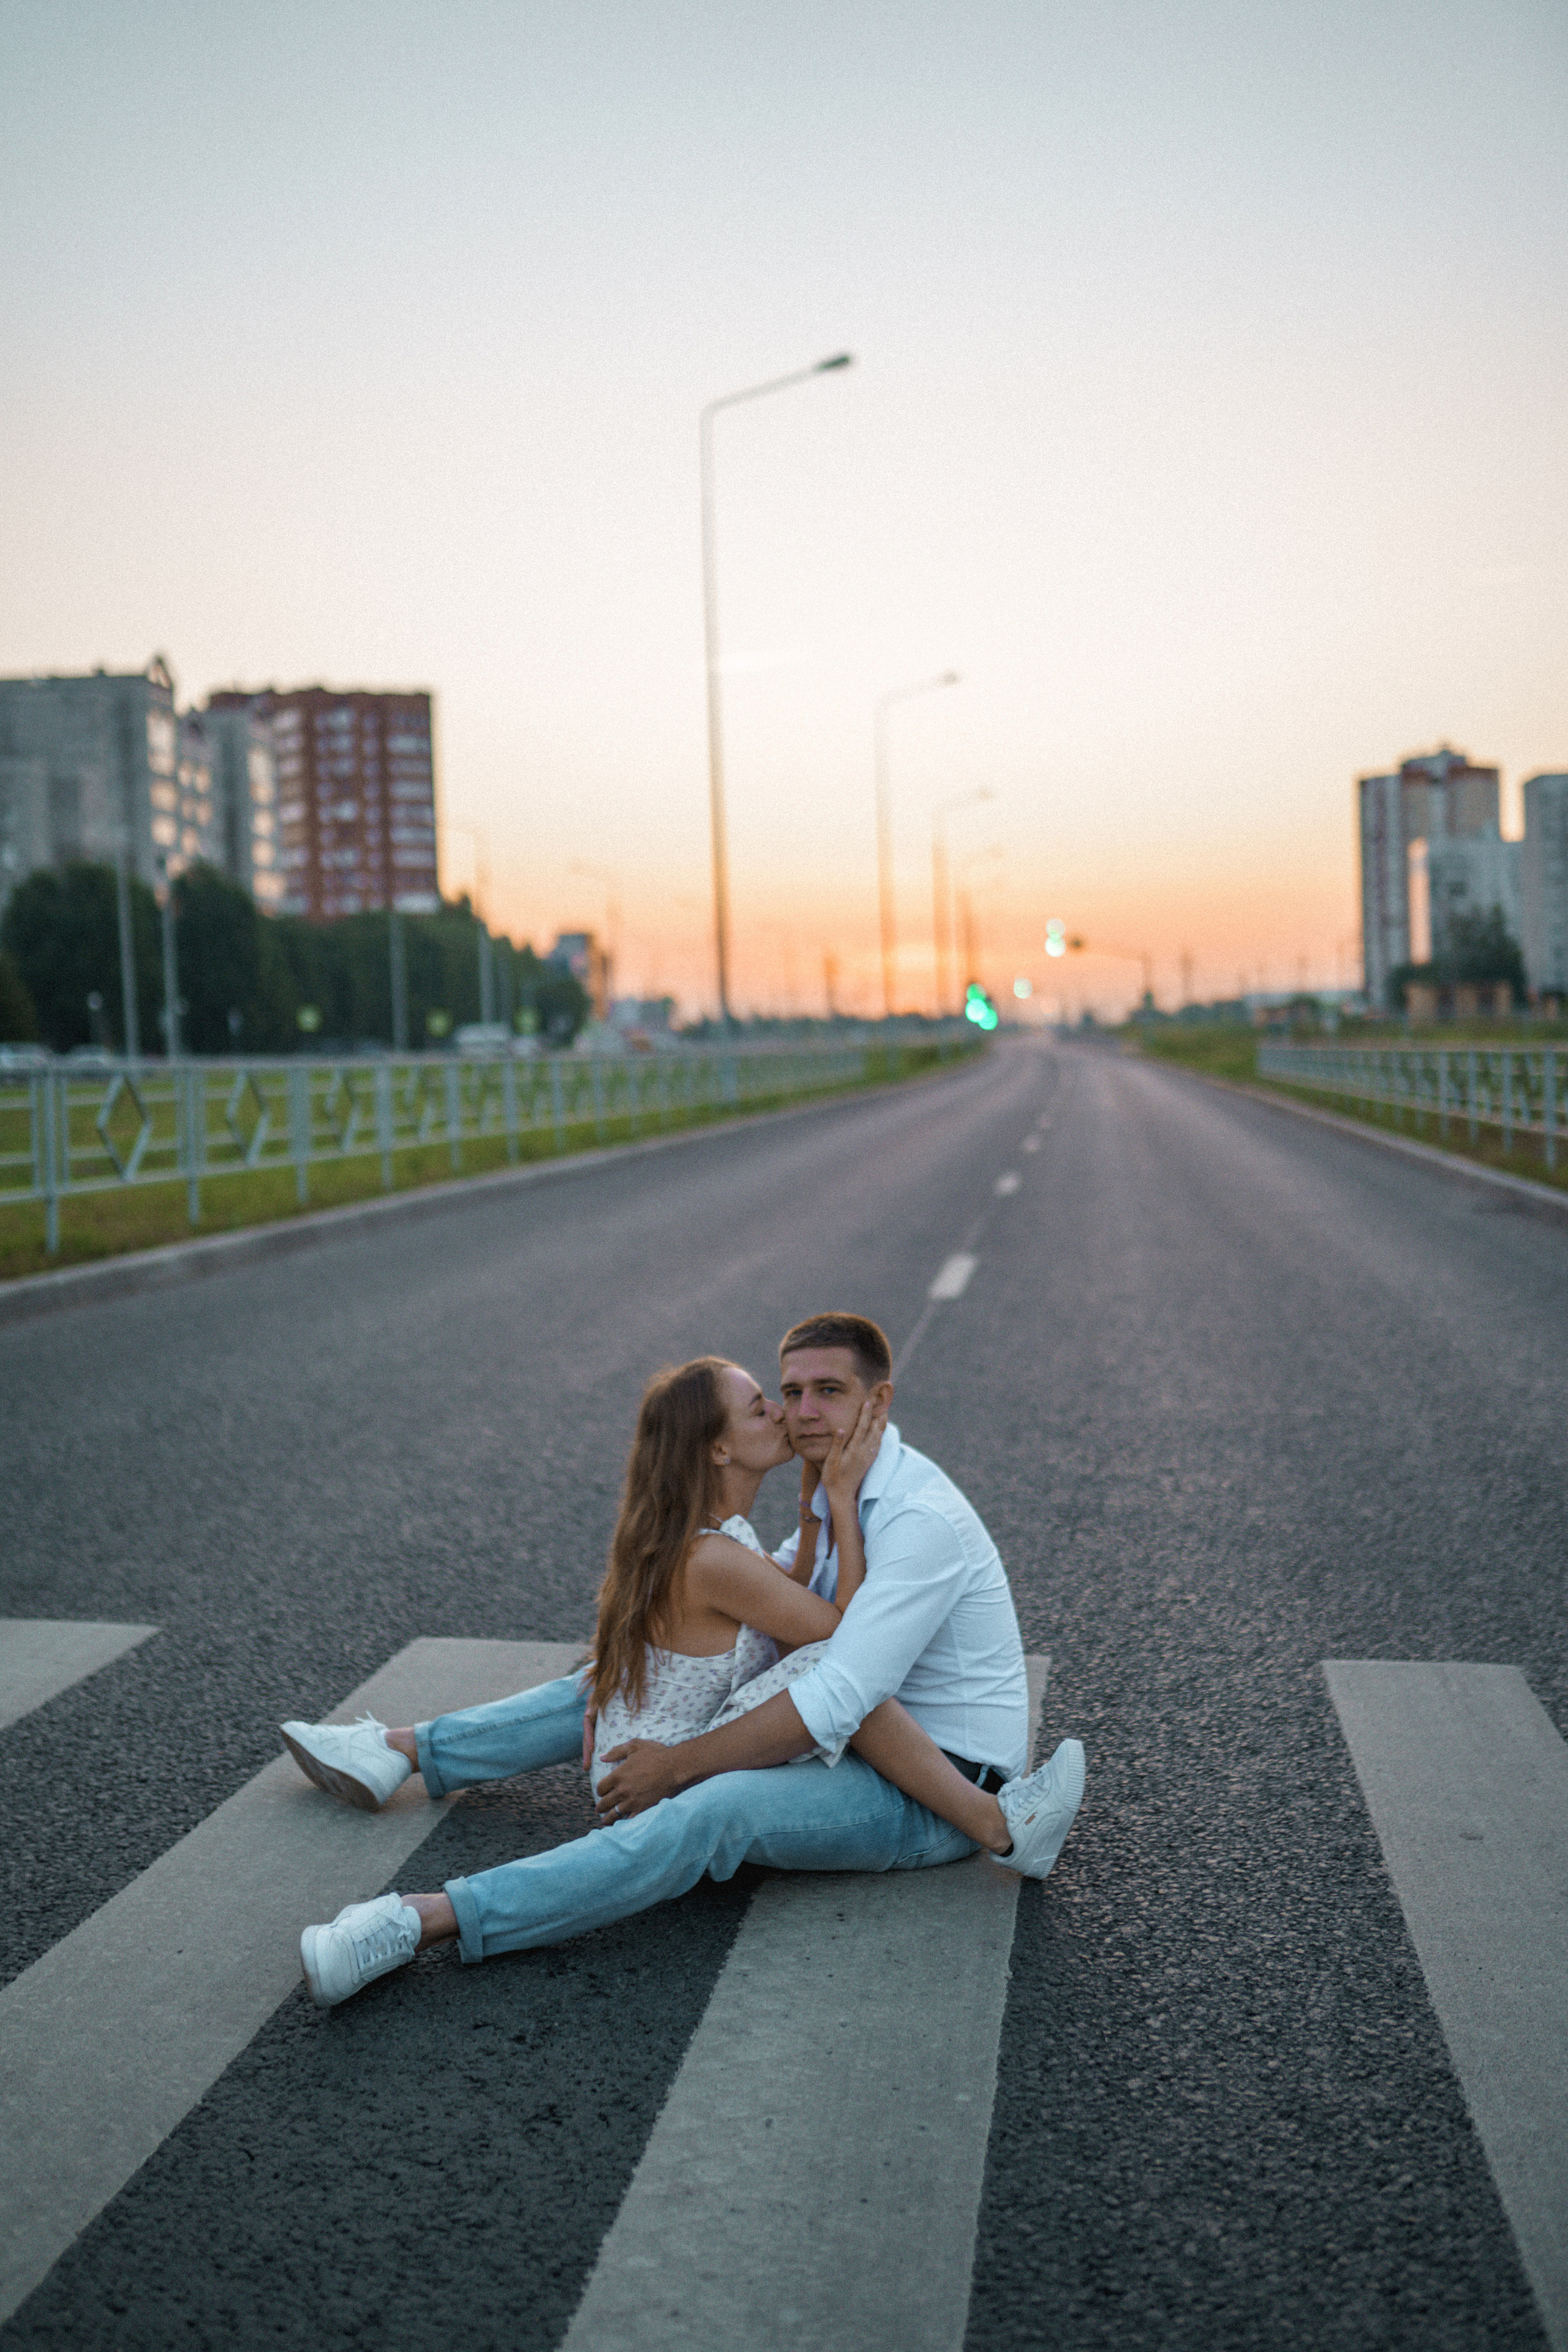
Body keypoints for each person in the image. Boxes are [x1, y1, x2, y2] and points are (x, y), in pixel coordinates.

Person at [287, 1313, 1086, 2007]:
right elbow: (774, 1606)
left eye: (828, 1393)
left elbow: (842, 1684)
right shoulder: (830, 1489)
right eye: (789, 1391)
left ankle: (421, 1919)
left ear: (878, 1403)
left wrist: (676, 1765)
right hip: (851, 1729)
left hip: (931, 1788)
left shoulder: (916, 1521)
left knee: (715, 1808)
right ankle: (402, 1751)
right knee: (634, 1675)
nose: (801, 1412)